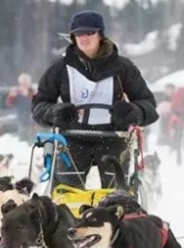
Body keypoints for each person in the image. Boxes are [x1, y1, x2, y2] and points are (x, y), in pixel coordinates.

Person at [32, 10, 159, 189]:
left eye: (90, 32)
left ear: (100, 34)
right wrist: (55, 112)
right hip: (72, 139)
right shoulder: (60, 68)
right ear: (72, 37)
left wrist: (133, 112)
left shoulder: (123, 67)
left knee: (117, 196)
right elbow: (39, 105)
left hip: (114, 138)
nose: (84, 38)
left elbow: (149, 105)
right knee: (65, 197)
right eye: (78, 33)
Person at [6, 72, 35, 143]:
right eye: (22, 83)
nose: (24, 85)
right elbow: (9, 104)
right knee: (22, 139)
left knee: (31, 139)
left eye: (26, 83)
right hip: (21, 118)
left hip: (32, 118)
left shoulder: (32, 91)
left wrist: (28, 94)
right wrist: (12, 96)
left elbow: (36, 102)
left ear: (29, 83)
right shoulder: (17, 92)